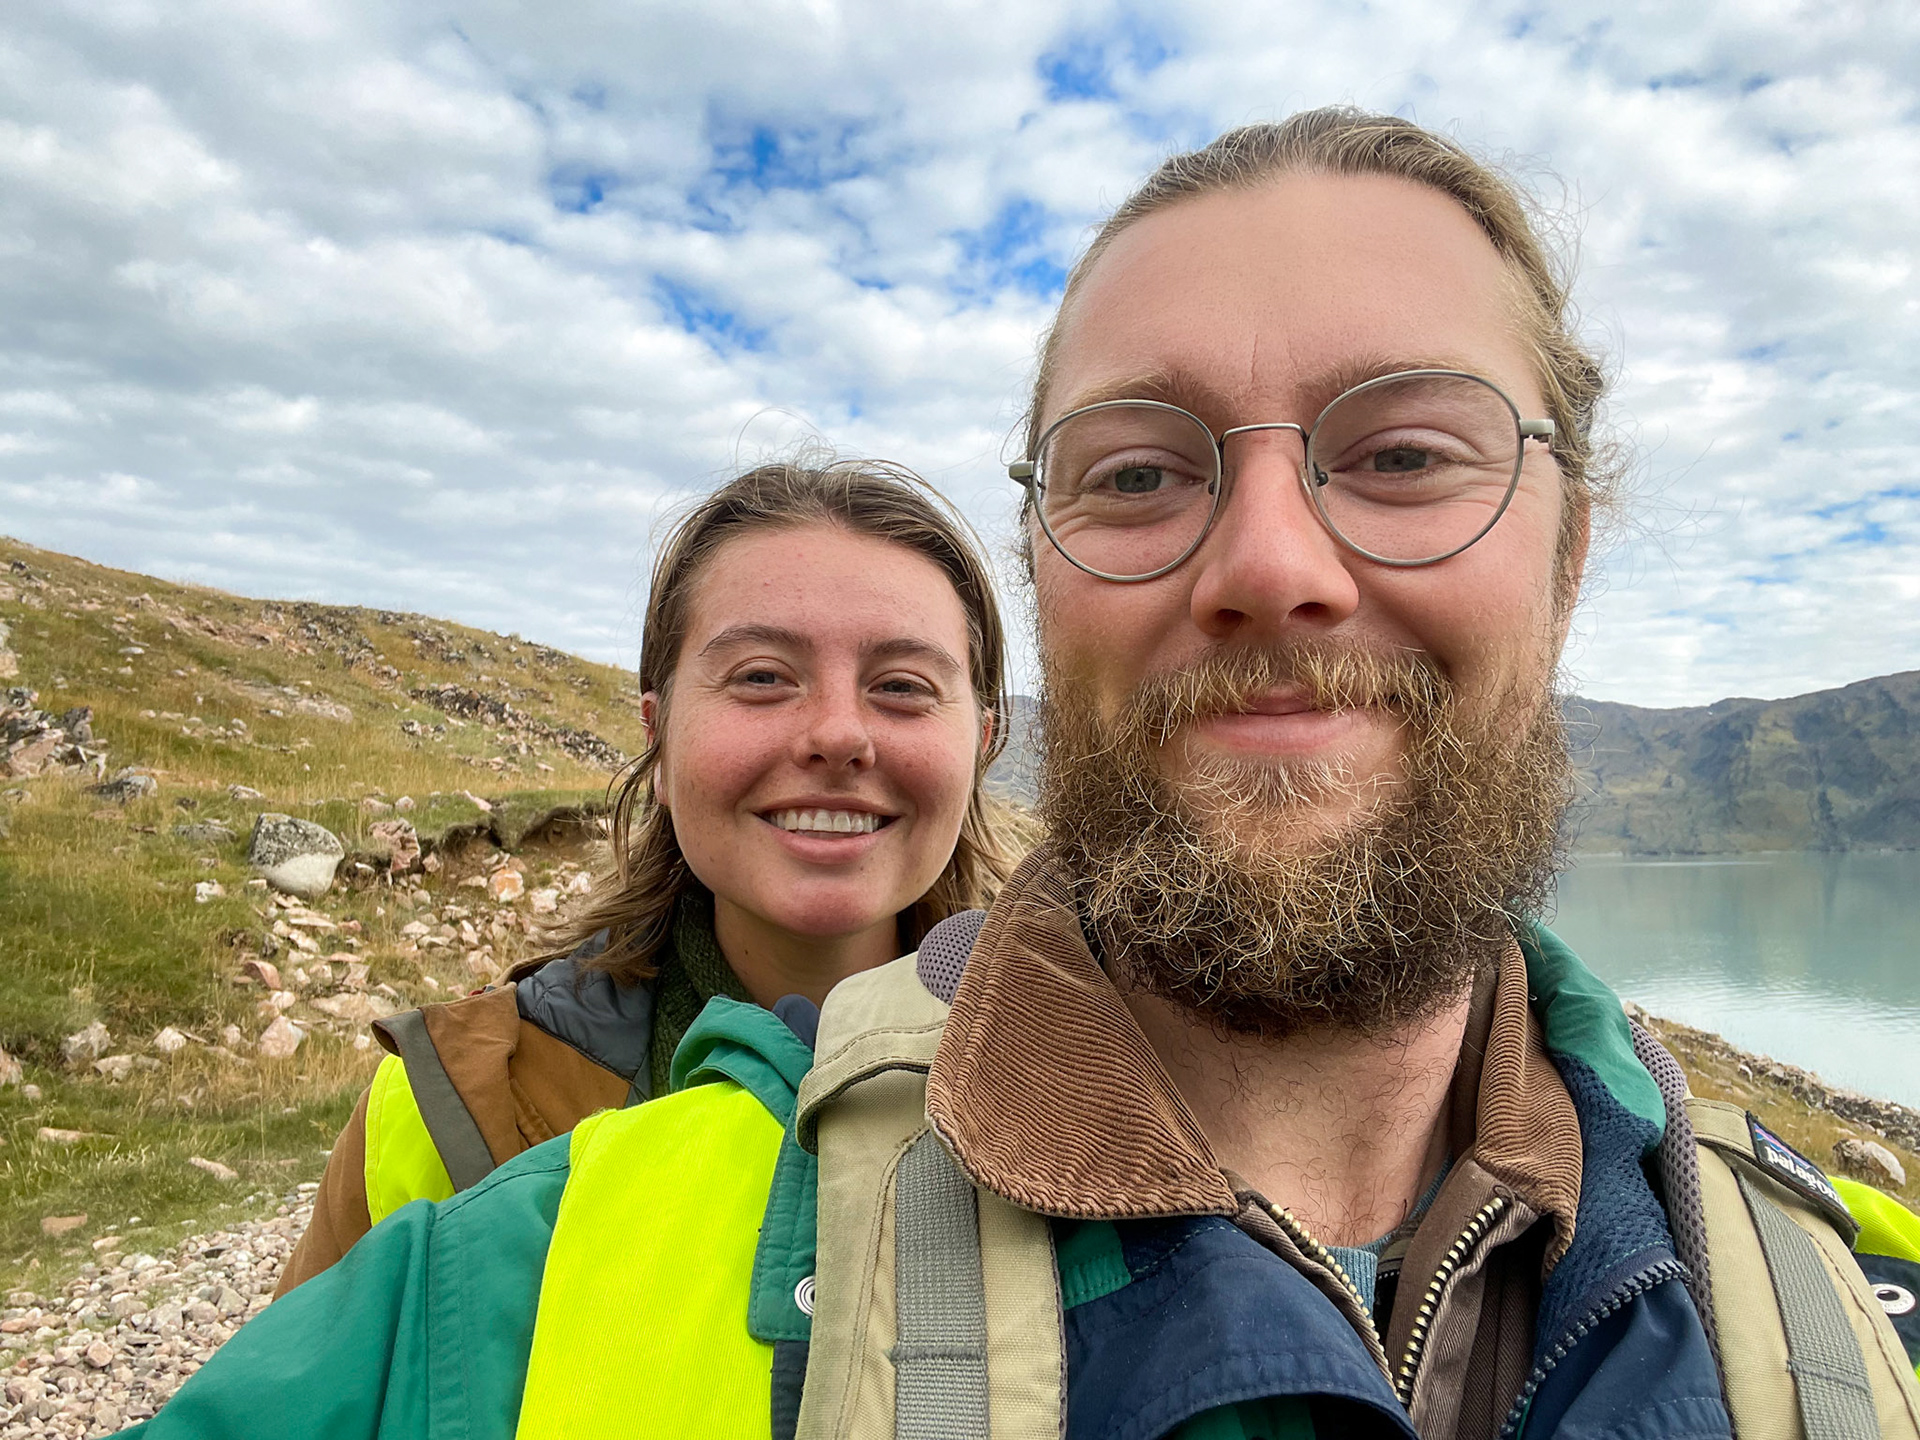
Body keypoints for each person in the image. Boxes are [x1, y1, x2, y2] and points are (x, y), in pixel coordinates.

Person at [125, 110, 1920, 1440]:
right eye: (1138, 473)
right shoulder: (541, 1267)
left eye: (1408, 450)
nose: (1269, 559)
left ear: (1572, 552)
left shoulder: (1848, 1295)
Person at [274, 456, 1021, 1292]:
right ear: (657, 739)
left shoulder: (1111, 1078)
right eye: (763, 678)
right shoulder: (446, 1109)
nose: (839, 733)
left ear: (982, 743)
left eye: (903, 686)